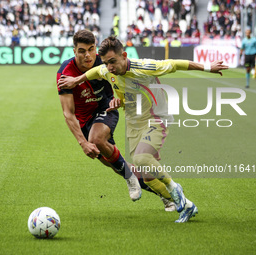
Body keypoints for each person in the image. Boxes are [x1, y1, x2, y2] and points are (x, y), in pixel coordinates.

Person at [58, 36, 229, 223]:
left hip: (156, 118)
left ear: (124, 56)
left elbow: (175, 64)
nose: (110, 67)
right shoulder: (107, 70)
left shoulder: (144, 67)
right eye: (107, 63)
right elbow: (95, 72)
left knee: (140, 158)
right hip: (134, 123)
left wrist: (207, 67)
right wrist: (80, 83)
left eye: (113, 61)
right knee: (147, 177)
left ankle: (174, 187)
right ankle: (187, 205)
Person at [57, 30, 176, 211]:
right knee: (116, 163)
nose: (87, 55)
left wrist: (120, 99)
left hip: (107, 108)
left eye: (91, 49)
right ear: (74, 51)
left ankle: (130, 178)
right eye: (82, 51)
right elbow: (68, 113)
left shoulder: (105, 61)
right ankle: (169, 196)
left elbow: (126, 77)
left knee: (96, 140)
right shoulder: (65, 73)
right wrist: (82, 143)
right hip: (85, 122)